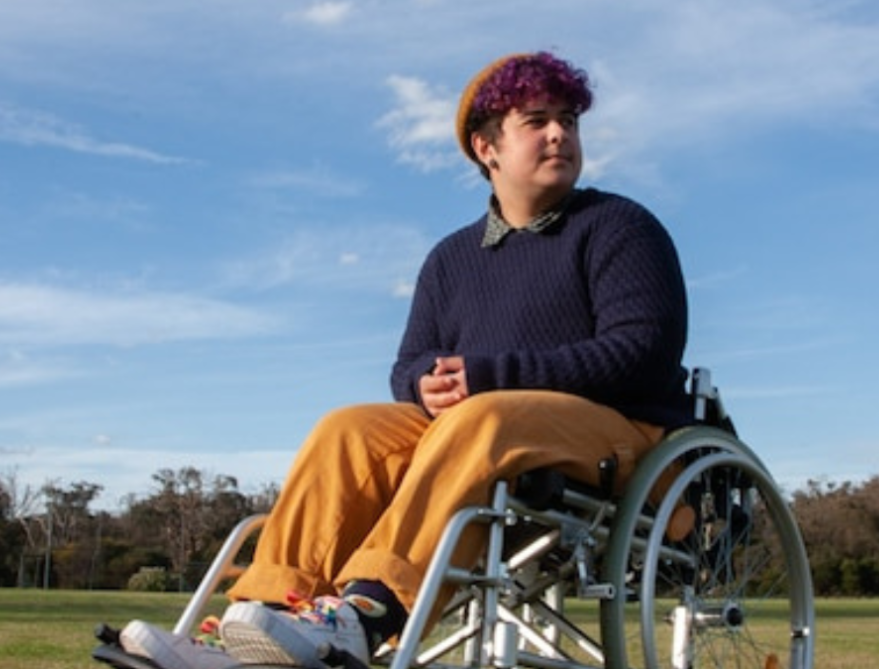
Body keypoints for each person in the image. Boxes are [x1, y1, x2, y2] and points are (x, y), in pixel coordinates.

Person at [114, 50, 693, 669]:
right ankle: (265, 617)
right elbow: (408, 365)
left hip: (622, 439)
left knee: (486, 416)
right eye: (537, 120)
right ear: (486, 147)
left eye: (569, 120)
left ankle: (367, 612)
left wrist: (488, 378)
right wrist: (423, 385)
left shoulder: (618, 227)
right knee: (349, 428)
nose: (560, 134)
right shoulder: (451, 258)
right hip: (481, 433)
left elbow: (643, 351)